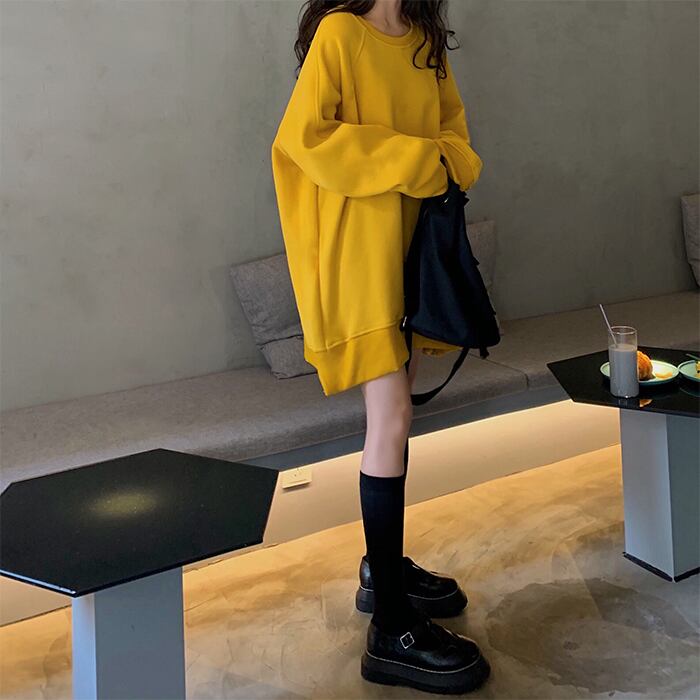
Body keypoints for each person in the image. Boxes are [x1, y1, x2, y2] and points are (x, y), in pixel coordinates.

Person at [270, 0, 489, 693]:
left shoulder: (424, 42)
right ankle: (391, 628)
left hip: (414, 251)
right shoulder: (341, 33)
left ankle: (382, 569)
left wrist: (442, 161)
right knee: (390, 419)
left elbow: (458, 141)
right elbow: (306, 138)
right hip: (360, 253)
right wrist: (419, 159)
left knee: (398, 417)